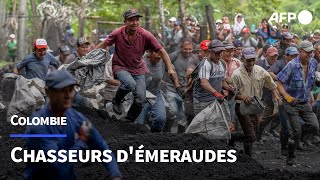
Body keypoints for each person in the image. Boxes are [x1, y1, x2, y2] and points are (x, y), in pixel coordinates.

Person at [24, 69, 122, 179]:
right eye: (62, 90)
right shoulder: (38, 125)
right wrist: (81, 141)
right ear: (48, 92)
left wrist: (115, 174)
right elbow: (57, 165)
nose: (67, 95)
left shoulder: (76, 118)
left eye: (70, 90)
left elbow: (101, 146)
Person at [95, 9, 178, 122]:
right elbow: (105, 43)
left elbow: (162, 51)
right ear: (125, 21)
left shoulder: (145, 35)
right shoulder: (117, 33)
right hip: (120, 66)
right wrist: (91, 55)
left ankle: (129, 120)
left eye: (136, 20)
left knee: (140, 99)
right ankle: (117, 100)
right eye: (131, 20)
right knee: (129, 84)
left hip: (138, 68)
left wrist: (170, 68)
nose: (135, 22)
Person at [231, 47, 282, 157]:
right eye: (248, 60)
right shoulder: (236, 74)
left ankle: (233, 138)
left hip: (256, 106)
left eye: (253, 60)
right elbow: (232, 95)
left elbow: (272, 85)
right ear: (242, 59)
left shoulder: (260, 71)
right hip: (242, 107)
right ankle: (248, 156)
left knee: (254, 132)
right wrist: (242, 97)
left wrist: (276, 96)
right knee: (251, 135)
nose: (251, 63)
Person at [277, 41, 319, 165]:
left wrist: (311, 97)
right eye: (307, 52)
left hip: (305, 102)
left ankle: (294, 137)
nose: (310, 54)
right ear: (300, 51)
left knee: (315, 126)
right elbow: (279, 82)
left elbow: (309, 83)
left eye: (311, 52)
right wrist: (286, 96)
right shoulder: (292, 65)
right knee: (296, 131)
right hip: (292, 103)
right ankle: (291, 156)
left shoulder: (313, 63)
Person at [268, 46, 299, 155]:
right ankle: (284, 147)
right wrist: (281, 79)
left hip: (295, 99)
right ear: (286, 56)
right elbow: (270, 72)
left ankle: (295, 143)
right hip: (282, 96)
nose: (294, 58)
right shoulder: (280, 64)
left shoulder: (299, 65)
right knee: (286, 124)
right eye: (291, 56)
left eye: (296, 55)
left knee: (297, 123)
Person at [163, 38, 197, 133]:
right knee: (172, 111)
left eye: (190, 49)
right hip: (172, 89)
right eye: (185, 49)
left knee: (183, 116)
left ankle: (180, 137)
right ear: (181, 48)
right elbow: (165, 63)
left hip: (185, 91)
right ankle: (166, 131)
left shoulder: (194, 58)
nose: (188, 51)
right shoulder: (174, 55)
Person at [193, 40, 233, 114]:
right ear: (210, 52)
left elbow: (222, 80)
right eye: (217, 52)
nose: (219, 54)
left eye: (221, 52)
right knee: (203, 124)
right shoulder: (205, 63)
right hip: (202, 101)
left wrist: (228, 88)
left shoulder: (222, 63)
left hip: (215, 101)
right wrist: (215, 92)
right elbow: (204, 82)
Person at [134, 49, 166, 132]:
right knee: (138, 125)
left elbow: (170, 70)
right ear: (149, 52)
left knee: (160, 119)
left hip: (155, 94)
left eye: (160, 53)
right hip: (141, 96)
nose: (159, 55)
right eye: (156, 52)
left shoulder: (163, 60)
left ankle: (153, 137)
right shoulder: (140, 61)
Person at [256, 47, 280, 140]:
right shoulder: (259, 64)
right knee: (263, 116)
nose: (274, 58)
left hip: (274, 94)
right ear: (266, 55)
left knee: (277, 114)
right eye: (272, 56)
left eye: (275, 56)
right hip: (262, 93)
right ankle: (259, 134)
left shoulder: (278, 64)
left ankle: (270, 130)